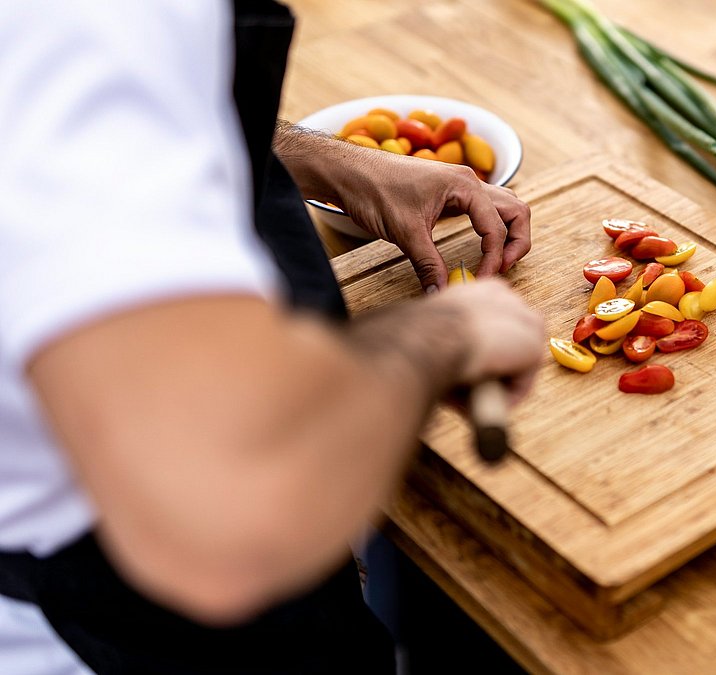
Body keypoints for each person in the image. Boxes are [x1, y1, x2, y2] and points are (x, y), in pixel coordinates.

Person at [0, 1, 544, 673]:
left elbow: (110, 114)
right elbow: (226, 514)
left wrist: (331, 161)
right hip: (120, 627)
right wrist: (440, 335)